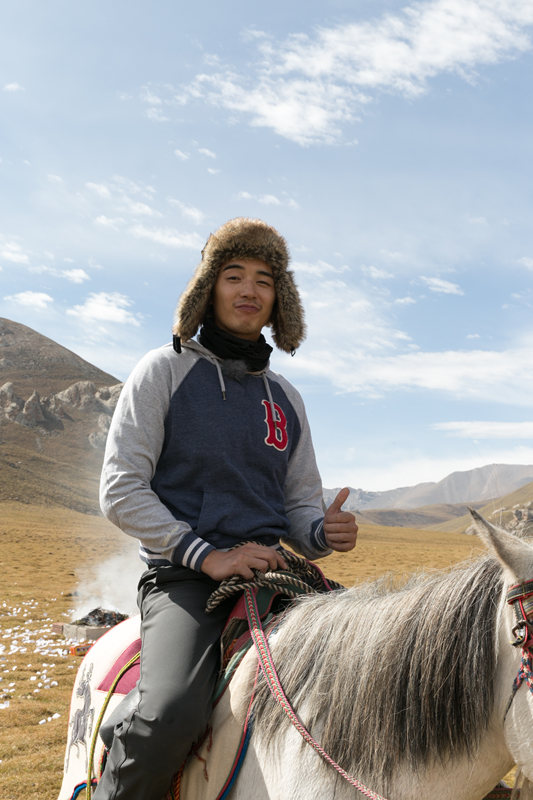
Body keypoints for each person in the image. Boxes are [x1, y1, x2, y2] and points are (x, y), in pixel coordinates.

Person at [94, 217, 358, 800]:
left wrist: (323, 531)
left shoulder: (286, 398)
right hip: (185, 577)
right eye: (233, 275)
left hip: (276, 573)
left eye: (264, 280)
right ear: (208, 288)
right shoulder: (163, 372)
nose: (248, 290)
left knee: (371, 674)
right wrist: (206, 555)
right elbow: (120, 488)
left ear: (277, 300)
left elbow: (296, 509)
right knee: (170, 713)